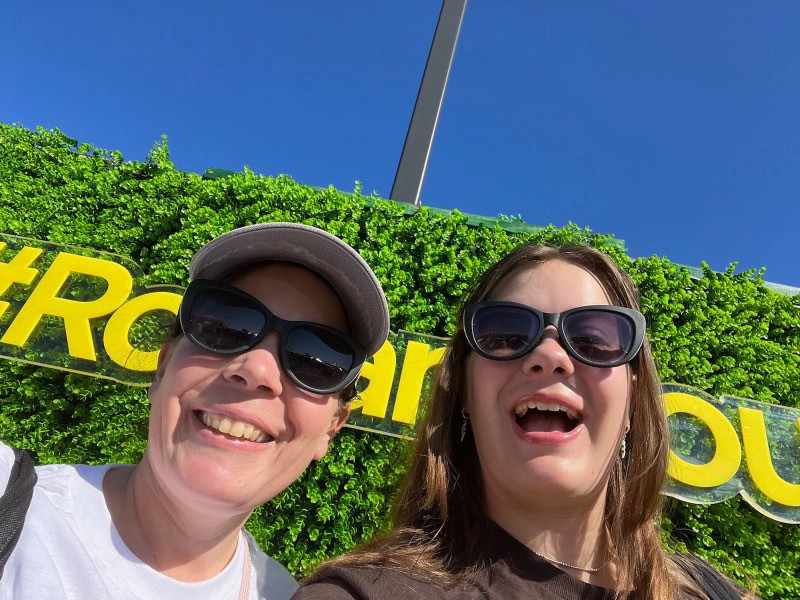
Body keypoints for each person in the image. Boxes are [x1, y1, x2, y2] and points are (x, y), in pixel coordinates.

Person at [292, 243, 757, 599]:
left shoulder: (710, 590)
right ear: (466, 396)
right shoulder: (363, 593)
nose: (550, 356)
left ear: (633, 402)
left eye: (595, 338)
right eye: (505, 333)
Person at [0, 222, 390, 600]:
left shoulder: (288, 597)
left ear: (331, 428)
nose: (257, 370)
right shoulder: (11, 500)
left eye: (318, 359)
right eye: (226, 324)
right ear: (163, 367)